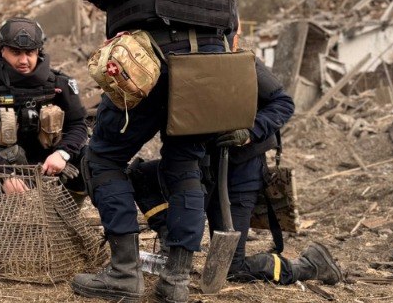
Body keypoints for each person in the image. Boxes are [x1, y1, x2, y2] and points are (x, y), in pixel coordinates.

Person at [70, 0, 238, 303]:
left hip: (150, 53)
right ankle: (176, 282)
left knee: (103, 159)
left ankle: (124, 274)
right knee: (185, 162)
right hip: (211, 60)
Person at [130, 60, 343, 286]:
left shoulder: (241, 60)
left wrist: (250, 132)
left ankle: (309, 266)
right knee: (139, 175)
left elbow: (283, 103)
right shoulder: (177, 59)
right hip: (195, 168)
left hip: (241, 174)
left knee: (233, 267)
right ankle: (171, 243)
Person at [0, 17, 87, 198]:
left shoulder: (60, 84)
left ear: (38, 51)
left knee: (90, 159)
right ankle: (4, 215)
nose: (23, 60)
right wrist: (3, 174)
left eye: (30, 53)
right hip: (3, 164)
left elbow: (78, 125)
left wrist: (62, 154)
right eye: (16, 52)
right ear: (2, 50)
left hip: (51, 164)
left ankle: (63, 211)